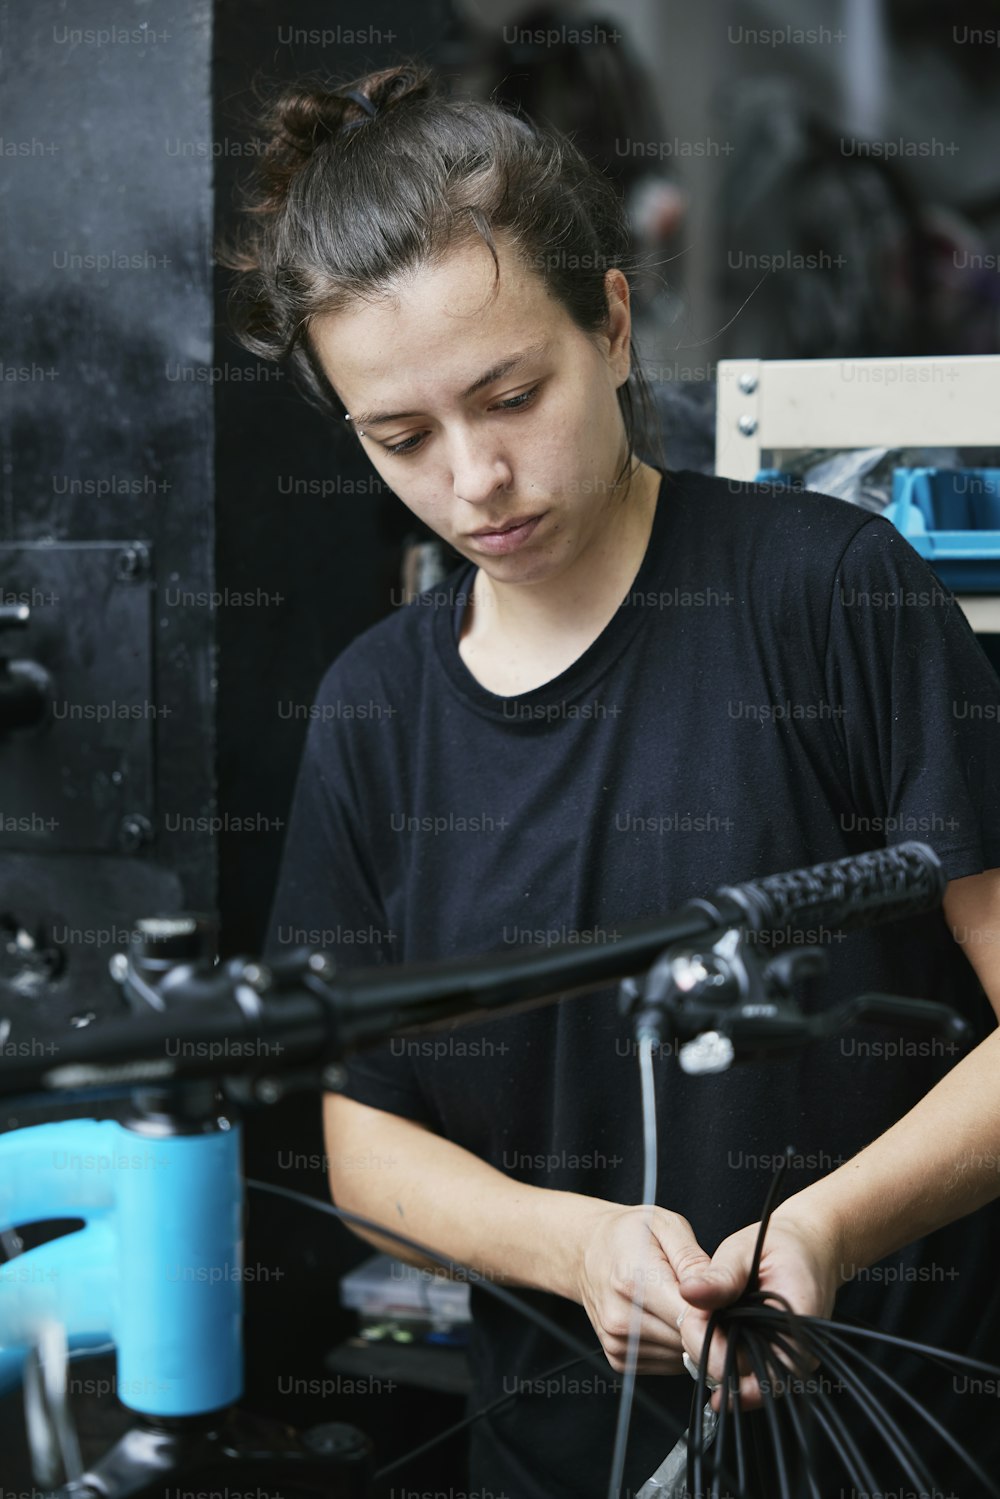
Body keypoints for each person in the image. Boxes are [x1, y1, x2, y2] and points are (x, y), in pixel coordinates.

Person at [222, 60, 1000, 1499]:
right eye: (400, 438)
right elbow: (365, 1151)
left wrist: (827, 1230)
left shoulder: (834, 600)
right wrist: (575, 1249)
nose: (473, 483)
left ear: (616, 325)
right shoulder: (375, 712)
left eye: (511, 396)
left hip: (897, 1440)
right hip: (556, 1456)